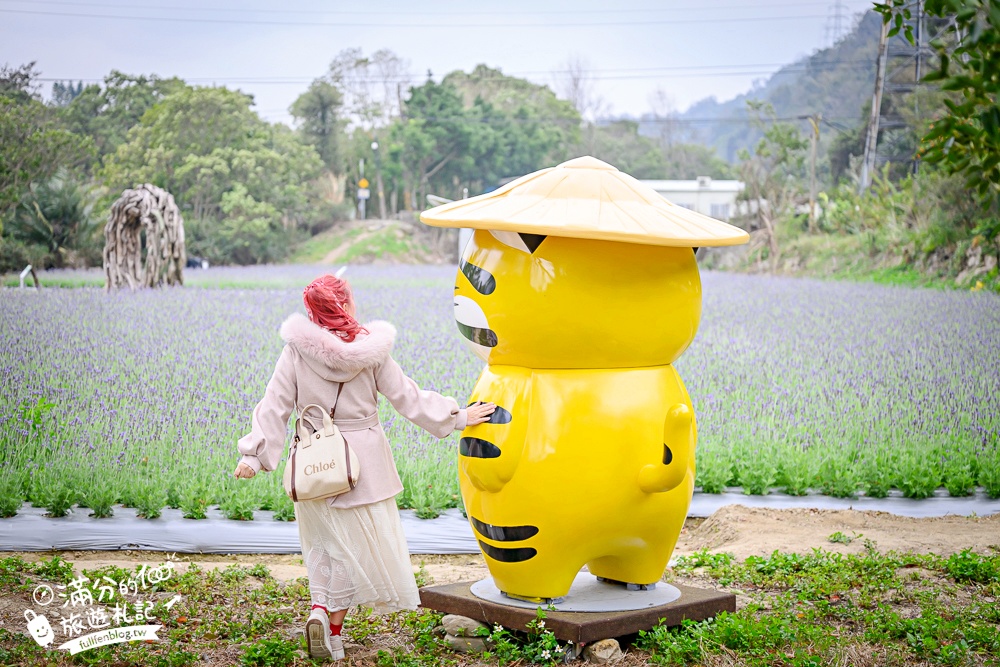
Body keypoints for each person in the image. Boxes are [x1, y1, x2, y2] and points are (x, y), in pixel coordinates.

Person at [233, 274, 495, 661]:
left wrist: (253, 456)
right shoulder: (373, 351)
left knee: (324, 547)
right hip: (363, 467)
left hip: (313, 462)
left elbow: (274, 406)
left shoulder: (294, 352)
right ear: (345, 304)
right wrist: (458, 416)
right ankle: (331, 630)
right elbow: (408, 397)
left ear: (313, 312)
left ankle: (321, 613)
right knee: (353, 552)